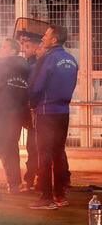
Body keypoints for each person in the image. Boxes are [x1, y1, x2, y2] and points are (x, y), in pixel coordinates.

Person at [28, 25, 78, 210]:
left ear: (54, 39)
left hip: (46, 112)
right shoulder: (71, 59)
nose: (44, 37)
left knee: (44, 155)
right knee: (58, 154)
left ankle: (46, 198)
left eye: (47, 34)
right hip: (63, 112)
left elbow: (36, 86)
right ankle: (60, 195)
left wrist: (32, 104)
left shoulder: (47, 59)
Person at [0, 38, 30, 195]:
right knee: (11, 148)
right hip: (17, 113)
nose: (1, 49)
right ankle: (14, 184)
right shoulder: (26, 67)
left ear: (13, 50)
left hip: (0, 113)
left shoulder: (0, 66)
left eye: (4, 47)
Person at [19, 34, 42, 192]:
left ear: (35, 48)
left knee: (33, 147)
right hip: (34, 112)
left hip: (35, 112)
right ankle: (34, 179)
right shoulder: (31, 64)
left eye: (27, 47)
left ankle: (32, 179)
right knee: (34, 147)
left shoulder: (33, 66)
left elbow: (31, 90)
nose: (24, 50)